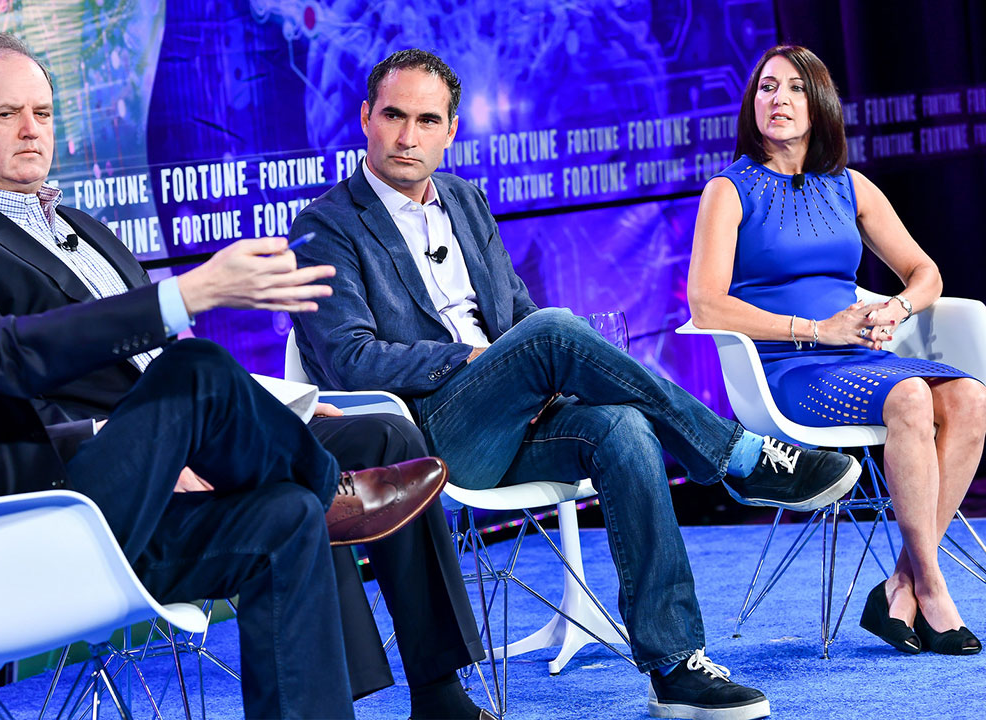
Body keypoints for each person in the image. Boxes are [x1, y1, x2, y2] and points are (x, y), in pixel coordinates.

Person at [0, 55, 451, 719]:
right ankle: (332, 488)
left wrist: (112, 435)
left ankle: (320, 499)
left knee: (284, 519)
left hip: (36, 515)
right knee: (194, 373)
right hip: (5, 546)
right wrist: (188, 294)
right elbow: (7, 355)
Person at [289, 48, 867, 720]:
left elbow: (517, 315)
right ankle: (738, 456)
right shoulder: (326, 227)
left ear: (451, 131)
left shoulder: (466, 202)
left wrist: (536, 367)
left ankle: (674, 664)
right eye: (392, 116)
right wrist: (475, 361)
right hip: (431, 436)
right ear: (365, 117)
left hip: (519, 417)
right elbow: (349, 361)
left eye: (426, 120)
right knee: (556, 331)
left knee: (620, 426)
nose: (407, 137)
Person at [687, 44, 985, 656]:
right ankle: (931, 588)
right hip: (786, 366)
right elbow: (706, 305)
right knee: (908, 397)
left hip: (859, 356)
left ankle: (899, 587)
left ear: (819, 103)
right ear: (752, 103)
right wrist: (819, 330)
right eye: (767, 87)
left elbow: (924, 273)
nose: (779, 100)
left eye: (795, 88)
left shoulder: (849, 187)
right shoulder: (729, 189)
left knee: (969, 397)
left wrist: (893, 309)